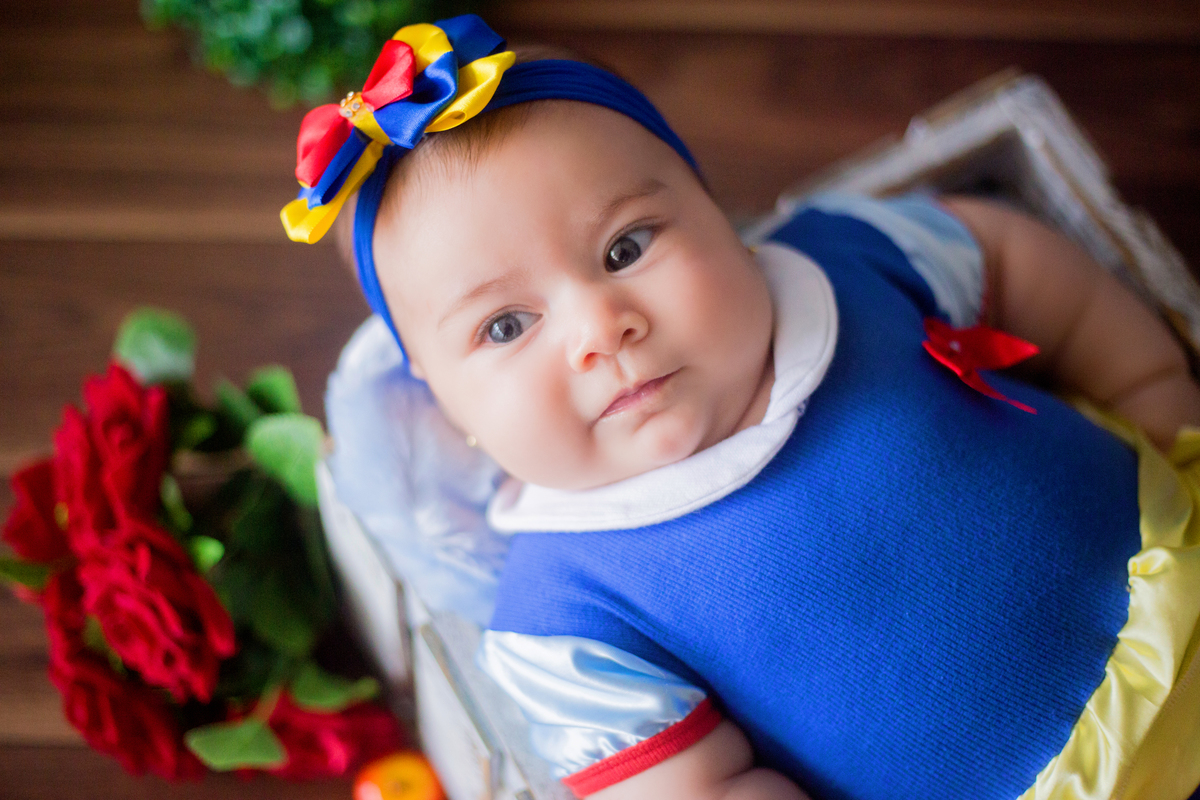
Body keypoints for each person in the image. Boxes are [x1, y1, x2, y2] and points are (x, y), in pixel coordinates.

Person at [284, 15, 1200, 800]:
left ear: (721, 218)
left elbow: (1011, 259)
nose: (601, 328)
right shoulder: (562, 612)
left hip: (1177, 560)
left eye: (625, 247)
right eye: (506, 326)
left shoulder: (844, 265)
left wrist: (1150, 393)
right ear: (454, 413)